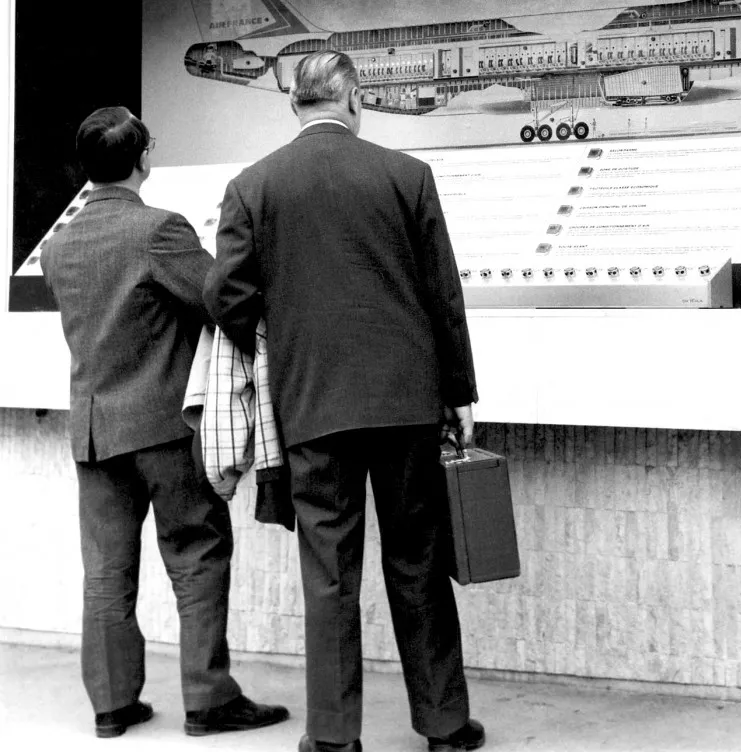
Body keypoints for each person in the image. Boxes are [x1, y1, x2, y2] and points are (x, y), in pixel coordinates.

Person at [205, 51, 484, 752]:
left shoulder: (252, 186)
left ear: (295, 105)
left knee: (329, 572)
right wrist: (459, 392)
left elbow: (227, 298)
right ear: (354, 99)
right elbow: (442, 295)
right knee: (417, 559)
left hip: (313, 404)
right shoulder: (406, 176)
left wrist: (286, 334)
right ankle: (445, 725)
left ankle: (333, 737)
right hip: (406, 404)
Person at [39, 106, 290, 740]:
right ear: (144, 159)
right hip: (162, 428)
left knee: (106, 571)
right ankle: (208, 700)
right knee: (197, 553)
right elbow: (219, 296)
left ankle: (112, 705)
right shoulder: (158, 230)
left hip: (94, 430)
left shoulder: (60, 243)